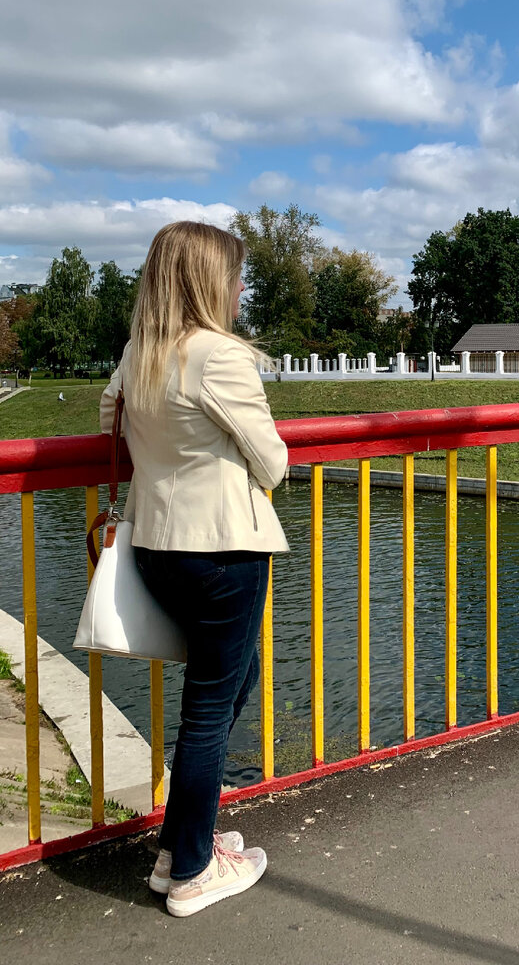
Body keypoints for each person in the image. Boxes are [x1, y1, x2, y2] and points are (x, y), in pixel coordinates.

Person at [100, 221, 288, 917]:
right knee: (211, 710)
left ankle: (181, 845)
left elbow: (106, 416)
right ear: (208, 282)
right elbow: (273, 462)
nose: (242, 290)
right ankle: (193, 871)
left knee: (234, 682)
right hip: (221, 550)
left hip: (157, 545)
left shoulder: (140, 351)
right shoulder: (219, 356)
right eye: (237, 278)